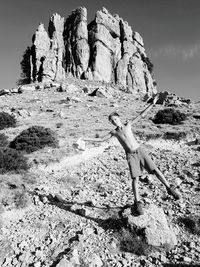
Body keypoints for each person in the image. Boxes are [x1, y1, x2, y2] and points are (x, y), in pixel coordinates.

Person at [83, 94, 181, 216]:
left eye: (115, 119)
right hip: (131, 155)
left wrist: (152, 103)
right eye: (112, 121)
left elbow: (141, 115)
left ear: (119, 118)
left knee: (155, 170)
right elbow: (101, 140)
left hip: (140, 151)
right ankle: (137, 202)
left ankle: (169, 189)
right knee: (135, 178)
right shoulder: (113, 132)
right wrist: (85, 139)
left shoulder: (128, 124)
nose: (114, 122)